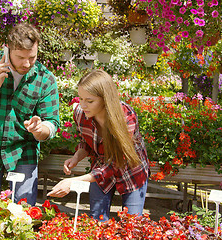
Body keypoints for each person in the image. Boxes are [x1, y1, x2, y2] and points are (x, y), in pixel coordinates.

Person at [0, 23, 60, 206]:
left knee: (24, 214)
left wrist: (40, 129)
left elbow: (52, 122)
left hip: (24, 153)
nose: (26, 63)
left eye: (32, 57)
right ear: (8, 49)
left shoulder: (45, 78)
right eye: (20, 57)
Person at [47, 69, 150, 221]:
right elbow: (85, 141)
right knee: (97, 221)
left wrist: (73, 181)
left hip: (131, 171)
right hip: (101, 169)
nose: (83, 105)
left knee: (132, 223)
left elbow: (115, 163)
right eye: (80, 99)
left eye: (89, 101)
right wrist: (77, 157)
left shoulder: (125, 117)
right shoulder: (80, 114)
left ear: (105, 99)